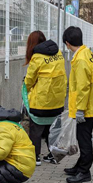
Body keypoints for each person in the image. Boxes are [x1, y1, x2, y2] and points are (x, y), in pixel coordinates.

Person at [62, 26, 93, 183]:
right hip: (92, 105)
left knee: (84, 140)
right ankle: (80, 166)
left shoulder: (80, 59)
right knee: (83, 138)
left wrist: (79, 110)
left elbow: (82, 87)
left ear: (67, 43)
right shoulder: (86, 52)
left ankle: (84, 172)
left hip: (87, 109)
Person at [24, 31, 67, 165]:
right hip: (57, 100)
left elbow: (29, 80)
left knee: (36, 129)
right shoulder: (58, 53)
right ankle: (53, 155)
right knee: (53, 129)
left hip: (41, 101)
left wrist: (27, 88)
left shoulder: (37, 57)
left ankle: (35, 157)